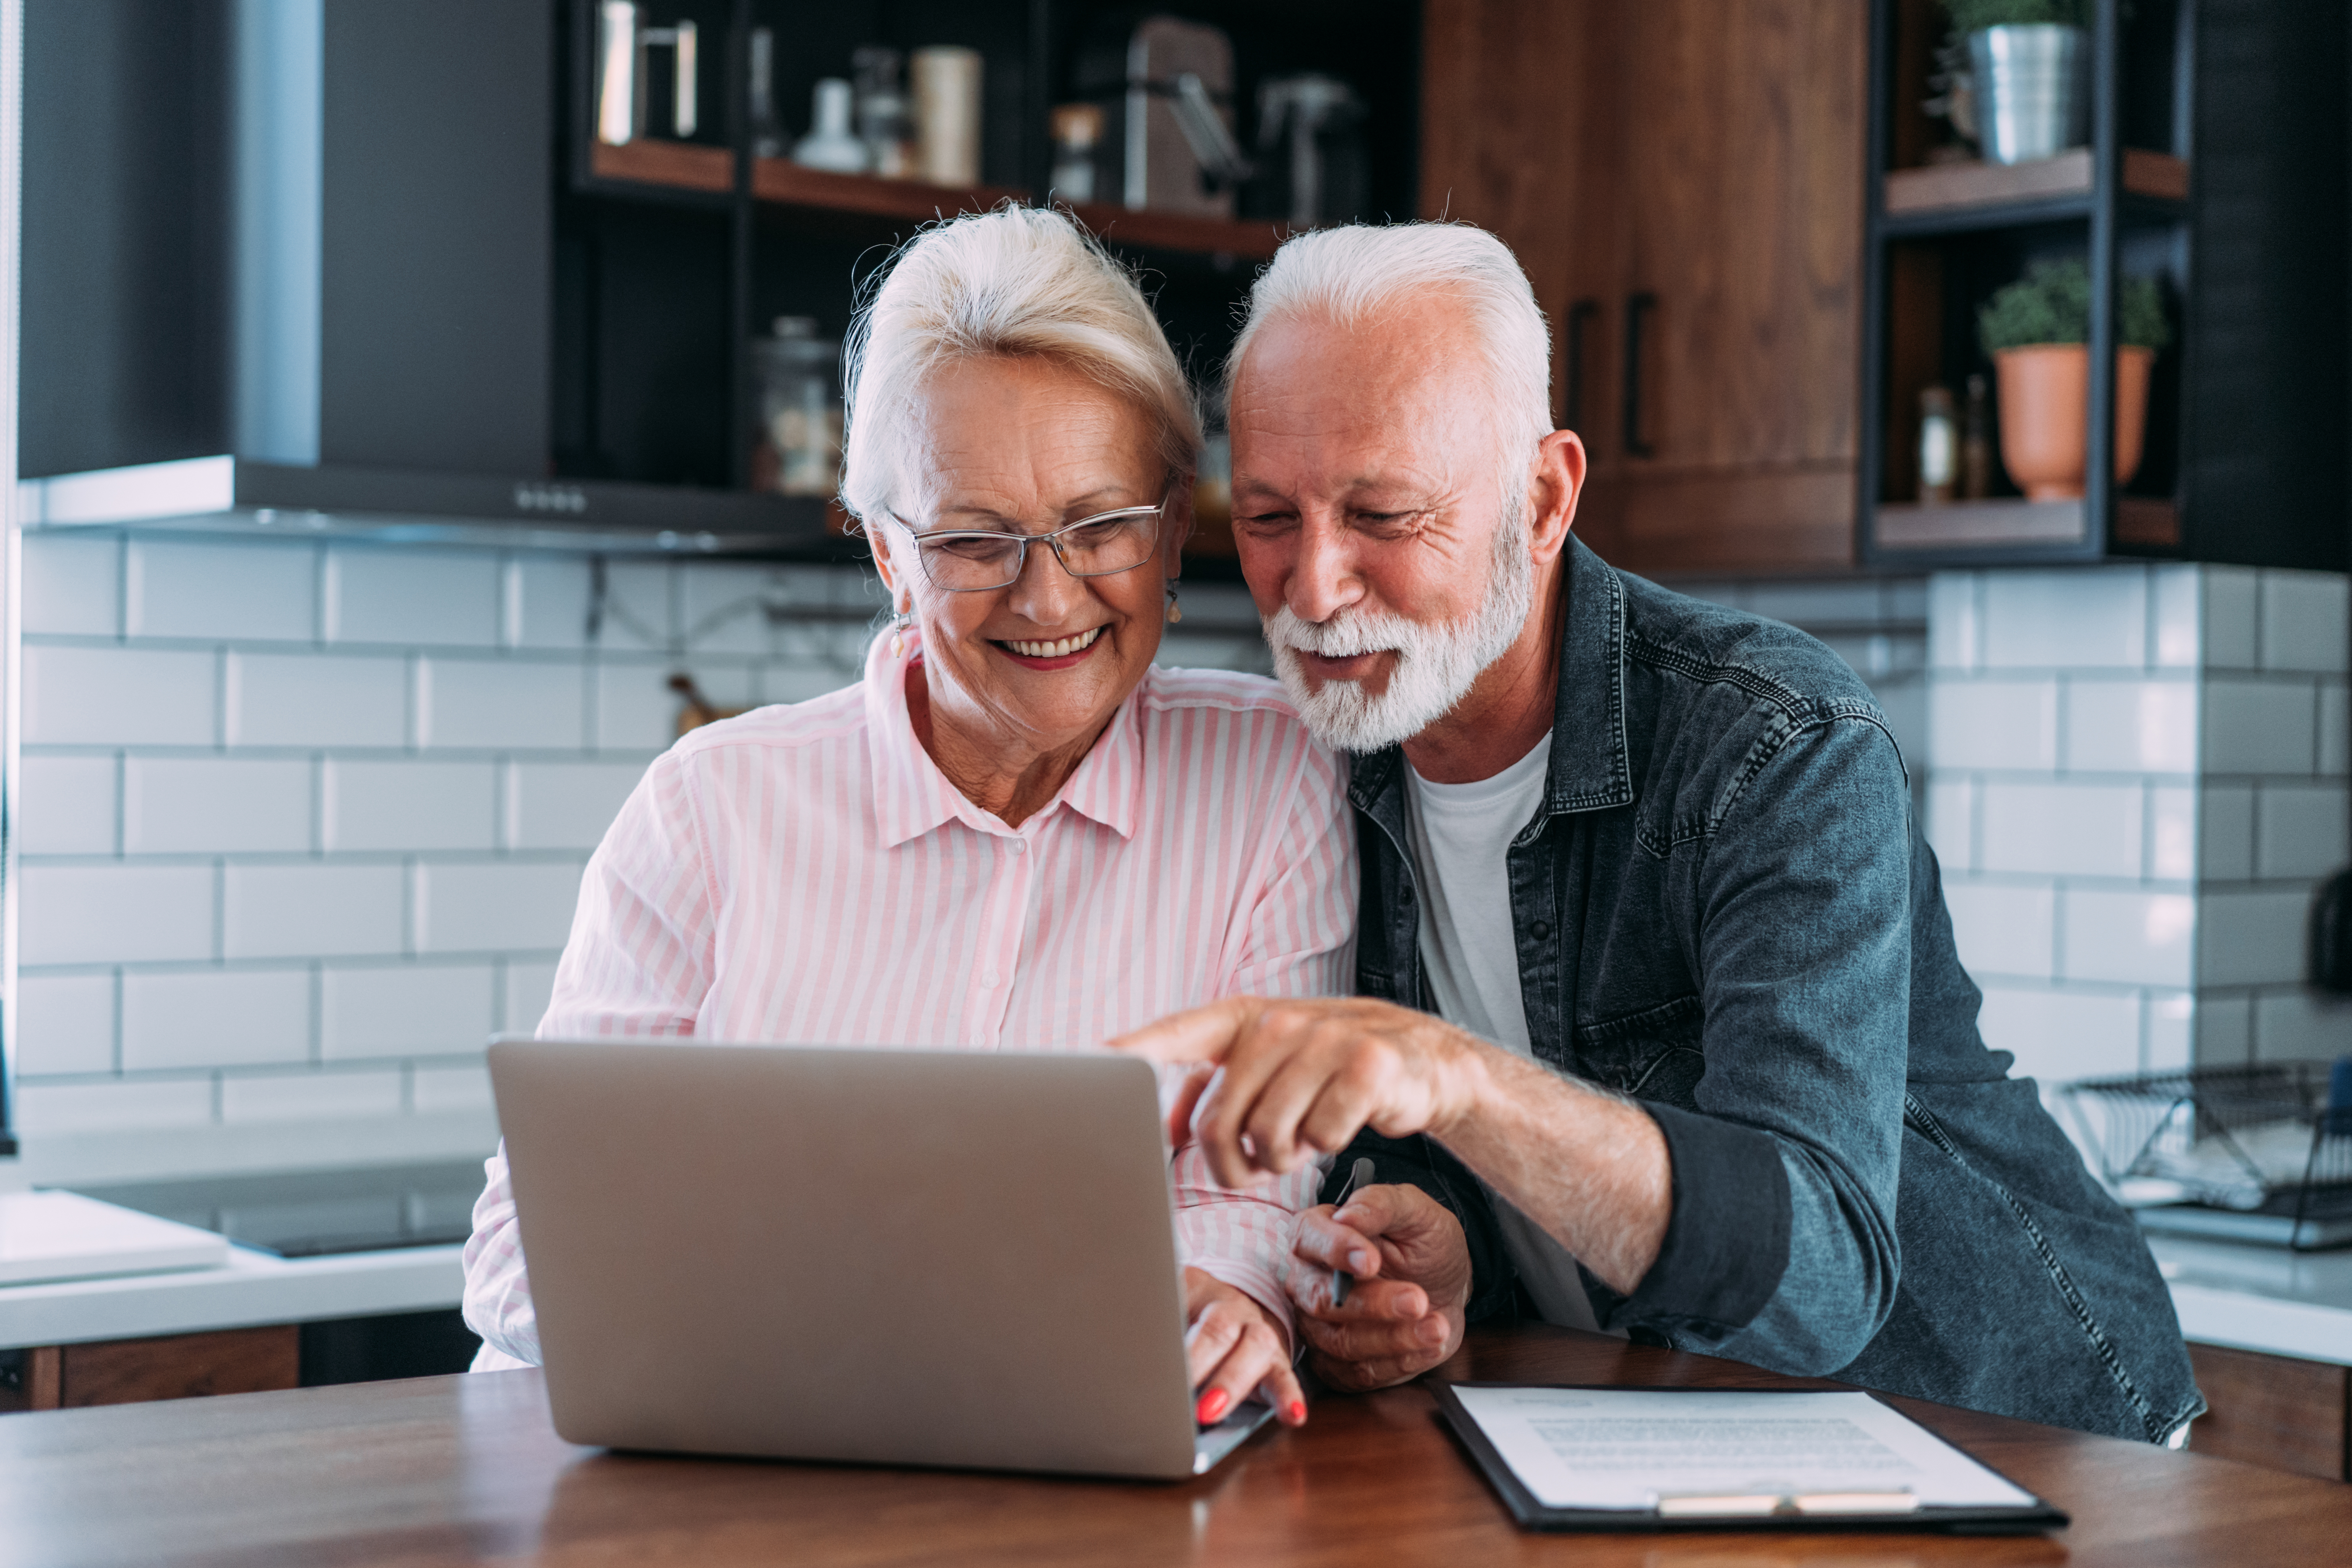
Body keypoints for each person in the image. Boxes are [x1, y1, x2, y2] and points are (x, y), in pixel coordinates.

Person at [1114, 222, 2204, 1443]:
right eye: (1268, 517)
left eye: (1383, 513)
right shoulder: (1321, 761)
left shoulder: (1777, 745)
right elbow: (1502, 1146)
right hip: (1671, 1441)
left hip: (2010, 1433)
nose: (1312, 588)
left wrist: (1451, 1076)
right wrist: (1449, 1246)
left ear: (1541, 499)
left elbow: (1823, 1278)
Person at [462, 207, 1354, 1430]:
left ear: (1168, 526)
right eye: (974, 540)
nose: (1048, 596)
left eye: (1099, 527)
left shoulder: (1272, 777)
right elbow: (523, 1248)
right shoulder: (711, 807)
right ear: (886, 552)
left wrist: (1229, 1297)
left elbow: (1254, 1192)